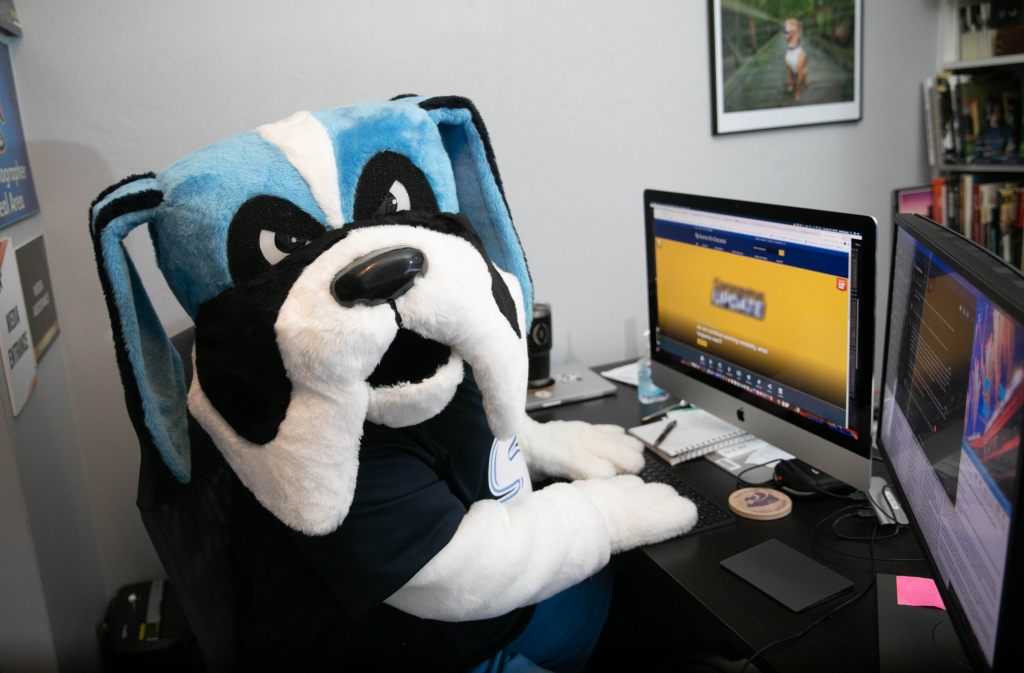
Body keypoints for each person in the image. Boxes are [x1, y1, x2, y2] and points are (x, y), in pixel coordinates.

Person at [974, 94, 1016, 162]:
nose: (995, 115)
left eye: (998, 111)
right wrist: (1003, 152)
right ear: (988, 113)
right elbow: (978, 156)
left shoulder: (1008, 129)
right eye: (992, 112)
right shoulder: (983, 131)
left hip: (1004, 168)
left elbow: (1011, 152)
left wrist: (989, 154)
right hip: (987, 168)